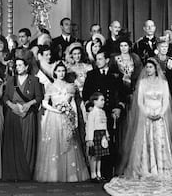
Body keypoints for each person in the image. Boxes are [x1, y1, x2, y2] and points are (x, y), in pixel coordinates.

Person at [119, 58, 172, 178]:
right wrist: (147, 113)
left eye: (151, 67)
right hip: (147, 116)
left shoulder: (163, 83)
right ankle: (146, 167)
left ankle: (161, 168)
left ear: (156, 68)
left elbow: (165, 100)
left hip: (159, 116)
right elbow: (140, 101)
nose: (148, 69)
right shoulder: (143, 83)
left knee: (159, 141)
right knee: (146, 141)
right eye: (147, 67)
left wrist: (160, 113)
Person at [34, 62, 89, 182]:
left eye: (63, 71)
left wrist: (74, 119)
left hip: (67, 117)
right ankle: (54, 174)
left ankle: (70, 175)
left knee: (68, 142)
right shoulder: (50, 86)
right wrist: (55, 110)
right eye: (58, 71)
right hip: (53, 117)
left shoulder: (70, 86)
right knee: (54, 144)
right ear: (54, 73)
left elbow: (73, 103)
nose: (61, 73)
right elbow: (44, 102)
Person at [83, 50, 124, 179]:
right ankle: (95, 172)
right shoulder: (91, 75)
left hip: (110, 113)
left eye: (100, 59)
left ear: (107, 60)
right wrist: (90, 108)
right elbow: (85, 94)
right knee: (96, 142)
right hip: (96, 113)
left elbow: (121, 93)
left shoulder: (115, 75)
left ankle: (107, 171)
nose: (98, 61)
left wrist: (118, 107)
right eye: (97, 59)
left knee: (108, 141)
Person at [3, 57, 43, 181]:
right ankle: (14, 174)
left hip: (28, 114)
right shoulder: (11, 80)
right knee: (13, 143)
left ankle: (26, 173)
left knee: (27, 142)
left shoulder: (34, 80)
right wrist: (11, 105)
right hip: (13, 114)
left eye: (20, 65)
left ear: (26, 67)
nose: (18, 67)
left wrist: (28, 104)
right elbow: (5, 97)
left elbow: (39, 96)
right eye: (17, 65)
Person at [109, 35, 142, 100]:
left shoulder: (135, 58)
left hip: (133, 87)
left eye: (125, 45)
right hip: (119, 89)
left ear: (129, 47)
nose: (123, 48)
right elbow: (111, 73)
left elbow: (139, 72)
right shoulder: (114, 58)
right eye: (121, 46)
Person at [85, 92, 109, 182]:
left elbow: (104, 124)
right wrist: (90, 139)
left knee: (99, 156)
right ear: (95, 101)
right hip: (95, 135)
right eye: (101, 100)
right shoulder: (92, 113)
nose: (103, 102)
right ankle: (93, 174)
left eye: (103, 100)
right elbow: (90, 127)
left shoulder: (103, 112)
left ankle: (99, 173)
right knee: (94, 156)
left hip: (102, 135)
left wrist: (107, 135)